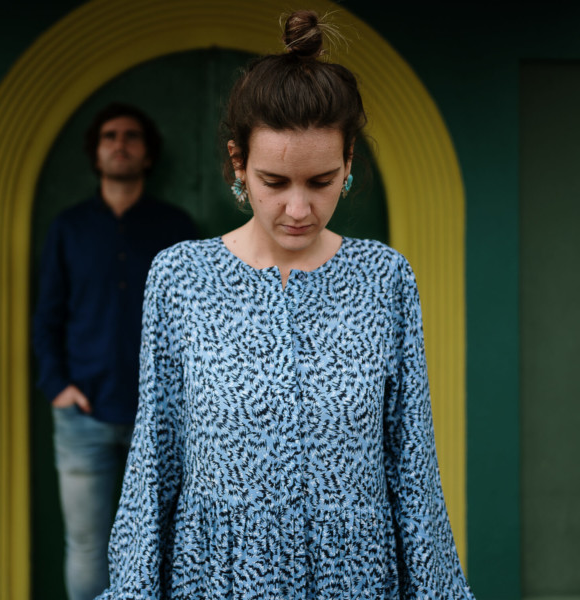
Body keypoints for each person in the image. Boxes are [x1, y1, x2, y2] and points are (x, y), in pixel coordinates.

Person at [97, 10, 476, 600]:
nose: (298, 209)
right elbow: (155, 458)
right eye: (275, 182)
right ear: (238, 164)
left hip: (354, 578)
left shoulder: (385, 279)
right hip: (216, 578)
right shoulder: (180, 277)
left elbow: (412, 465)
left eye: (321, 181)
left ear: (349, 162)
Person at [32, 102, 197, 600]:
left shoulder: (176, 227)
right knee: (87, 546)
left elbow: (194, 323)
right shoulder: (69, 228)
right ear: (96, 152)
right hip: (83, 417)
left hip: (165, 420)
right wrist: (57, 386)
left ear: (147, 154)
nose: (119, 143)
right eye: (109, 136)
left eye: (131, 136)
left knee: (167, 544)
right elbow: (47, 317)